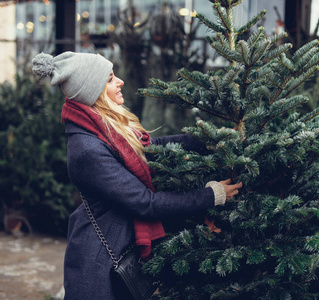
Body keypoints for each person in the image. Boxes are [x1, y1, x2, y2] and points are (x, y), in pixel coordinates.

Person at [32, 51, 242, 299]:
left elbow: (151, 146)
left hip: (118, 248)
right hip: (99, 263)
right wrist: (211, 195)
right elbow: (146, 204)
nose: (120, 81)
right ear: (93, 91)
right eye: (110, 79)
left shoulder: (104, 128)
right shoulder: (87, 149)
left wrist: (206, 140)